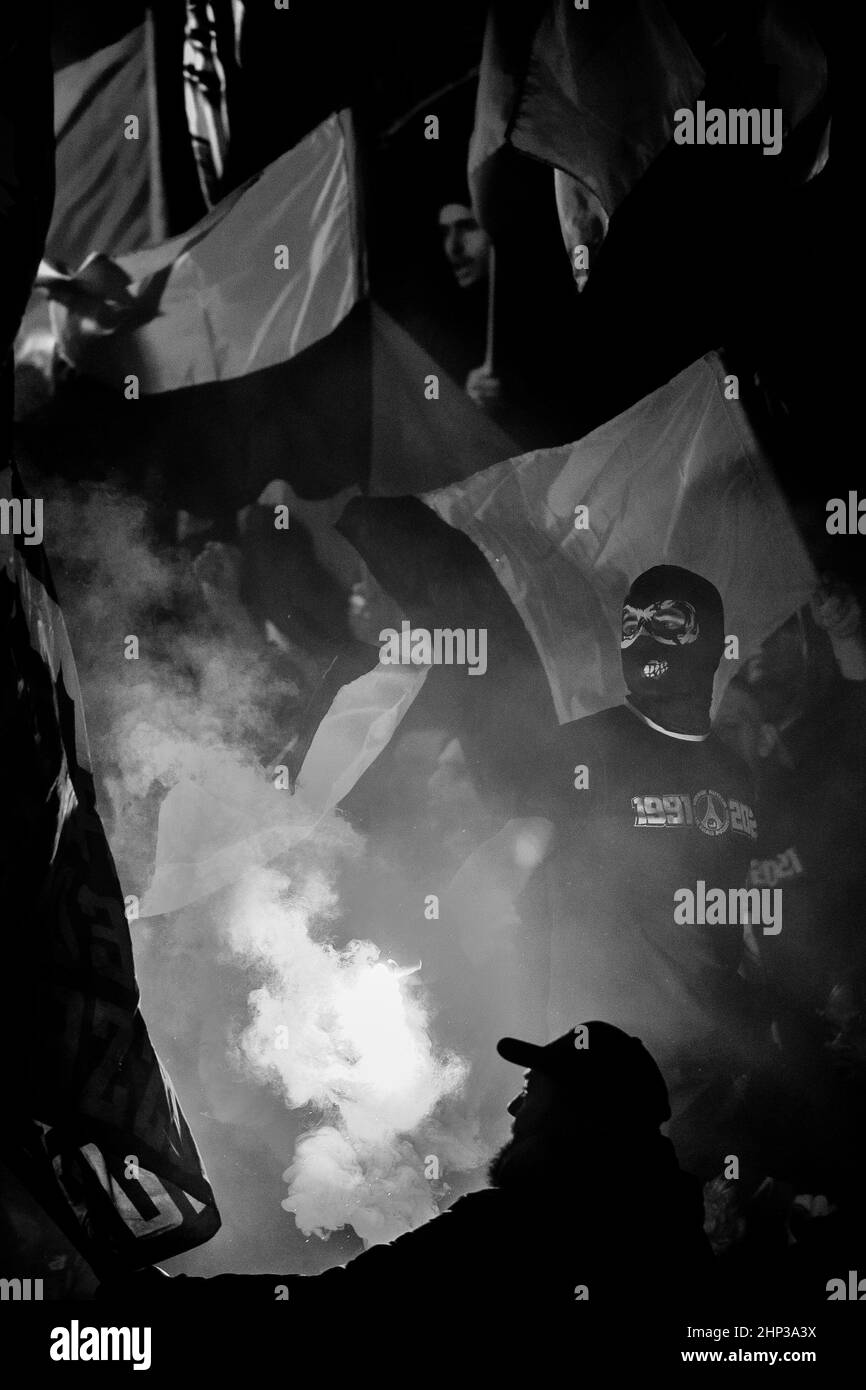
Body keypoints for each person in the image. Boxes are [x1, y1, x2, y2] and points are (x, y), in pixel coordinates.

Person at [445, 565, 762, 1176]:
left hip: (706, 1072)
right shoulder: (584, 747)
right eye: (631, 624)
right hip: (598, 1071)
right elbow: (500, 873)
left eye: (667, 624)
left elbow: (736, 907)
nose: (643, 640)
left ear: (715, 645)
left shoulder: (734, 773)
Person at [99, 1021, 713, 1318]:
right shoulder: (681, 1245)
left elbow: (337, 1312)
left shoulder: (512, 1230)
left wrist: (168, 1302)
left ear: (583, 1113)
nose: (515, 1106)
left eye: (535, 1089)